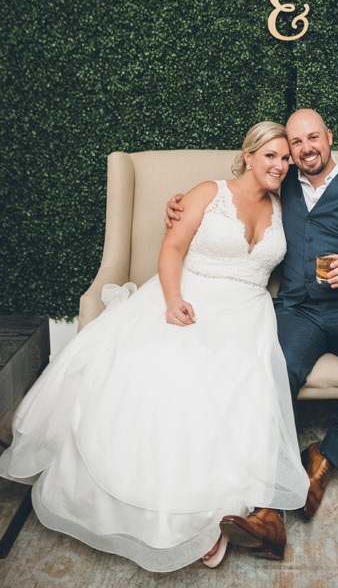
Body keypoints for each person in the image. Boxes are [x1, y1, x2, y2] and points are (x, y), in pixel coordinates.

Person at [0, 122, 309, 572]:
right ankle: (170, 511)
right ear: (248, 155)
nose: (280, 166)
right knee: (163, 371)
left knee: (236, 383)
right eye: (271, 156)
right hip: (188, 296)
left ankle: (218, 513)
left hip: (247, 313)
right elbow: (172, 249)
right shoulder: (208, 192)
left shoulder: (286, 207)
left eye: (286, 159)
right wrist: (173, 300)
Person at [166, 109, 338, 556]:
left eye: (313, 138)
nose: (304, 149)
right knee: (276, 375)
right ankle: (266, 510)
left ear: (329, 137)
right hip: (297, 309)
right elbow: (232, 200)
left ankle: (324, 457)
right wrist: (180, 204)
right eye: (296, 143)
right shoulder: (281, 182)